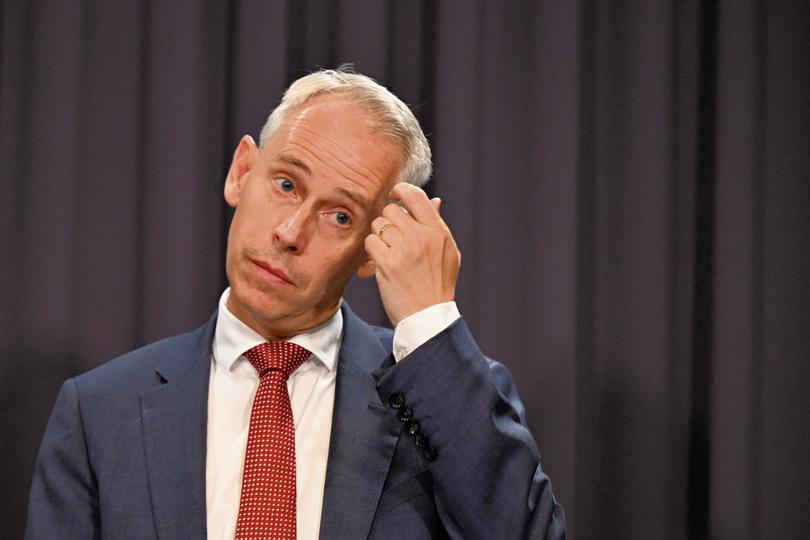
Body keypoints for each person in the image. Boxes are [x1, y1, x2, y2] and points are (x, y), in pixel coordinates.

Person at [26, 67, 565, 539]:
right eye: (285, 184)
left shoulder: (439, 400)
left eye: (339, 217)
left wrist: (428, 324)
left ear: (373, 249)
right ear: (242, 171)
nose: (289, 231)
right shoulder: (98, 412)